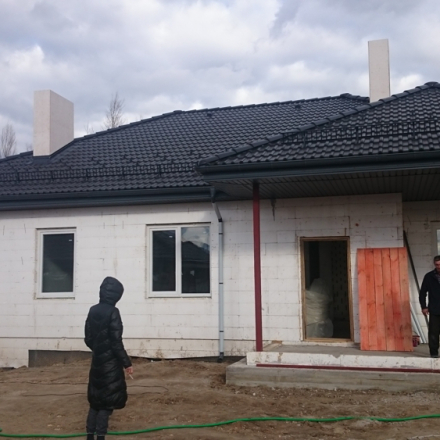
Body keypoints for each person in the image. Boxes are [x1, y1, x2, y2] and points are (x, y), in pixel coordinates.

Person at [84, 277, 133, 440]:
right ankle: (101, 436)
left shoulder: (92, 310)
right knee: (106, 403)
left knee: (95, 403)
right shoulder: (113, 312)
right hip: (110, 365)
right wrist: (127, 363)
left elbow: (88, 338)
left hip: (97, 362)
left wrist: (98, 350)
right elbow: (116, 342)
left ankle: (89, 435)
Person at [419, 255, 440, 358]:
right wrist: (424, 307)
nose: (439, 267)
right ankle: (434, 353)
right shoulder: (429, 276)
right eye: (437, 265)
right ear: (434, 264)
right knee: (433, 333)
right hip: (435, 309)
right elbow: (422, 293)